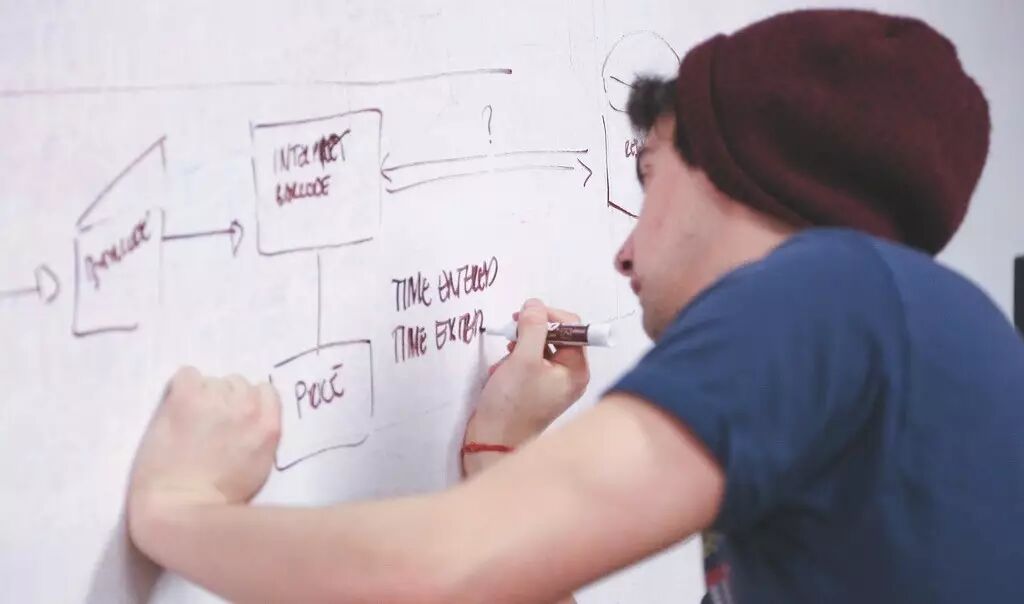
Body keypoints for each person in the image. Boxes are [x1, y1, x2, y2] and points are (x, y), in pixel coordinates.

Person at [127, 8, 1023, 604]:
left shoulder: (825, 293)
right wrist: (500, 454)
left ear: (739, 171)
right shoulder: (908, 331)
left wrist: (177, 509)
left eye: (649, 176)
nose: (623, 251)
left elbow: (440, 572)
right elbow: (488, 571)